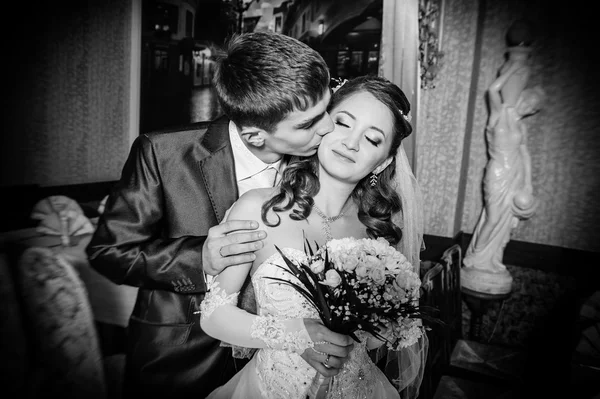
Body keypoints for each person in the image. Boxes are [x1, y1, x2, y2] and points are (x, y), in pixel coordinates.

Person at [85, 31, 353, 398]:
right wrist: (200, 258)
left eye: (326, 108)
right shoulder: (162, 153)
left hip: (283, 364)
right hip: (182, 355)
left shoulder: (328, 161)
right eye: (307, 124)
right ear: (255, 135)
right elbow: (108, 251)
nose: (327, 127)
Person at [200, 75, 427, 399]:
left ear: (385, 160)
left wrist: (370, 329)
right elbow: (213, 315)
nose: (351, 143)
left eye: (372, 139)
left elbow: (379, 338)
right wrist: (295, 335)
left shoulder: (377, 230)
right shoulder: (259, 209)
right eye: (343, 124)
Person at [462, 54, 545, 293]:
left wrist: (528, 185)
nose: (528, 108)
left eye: (532, 108)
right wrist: (514, 69)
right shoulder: (499, 113)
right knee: (494, 216)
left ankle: (490, 260)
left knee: (504, 222)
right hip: (498, 171)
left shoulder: (521, 126)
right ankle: (474, 258)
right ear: (521, 96)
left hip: (515, 174)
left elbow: (525, 155)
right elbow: (492, 90)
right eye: (527, 101)